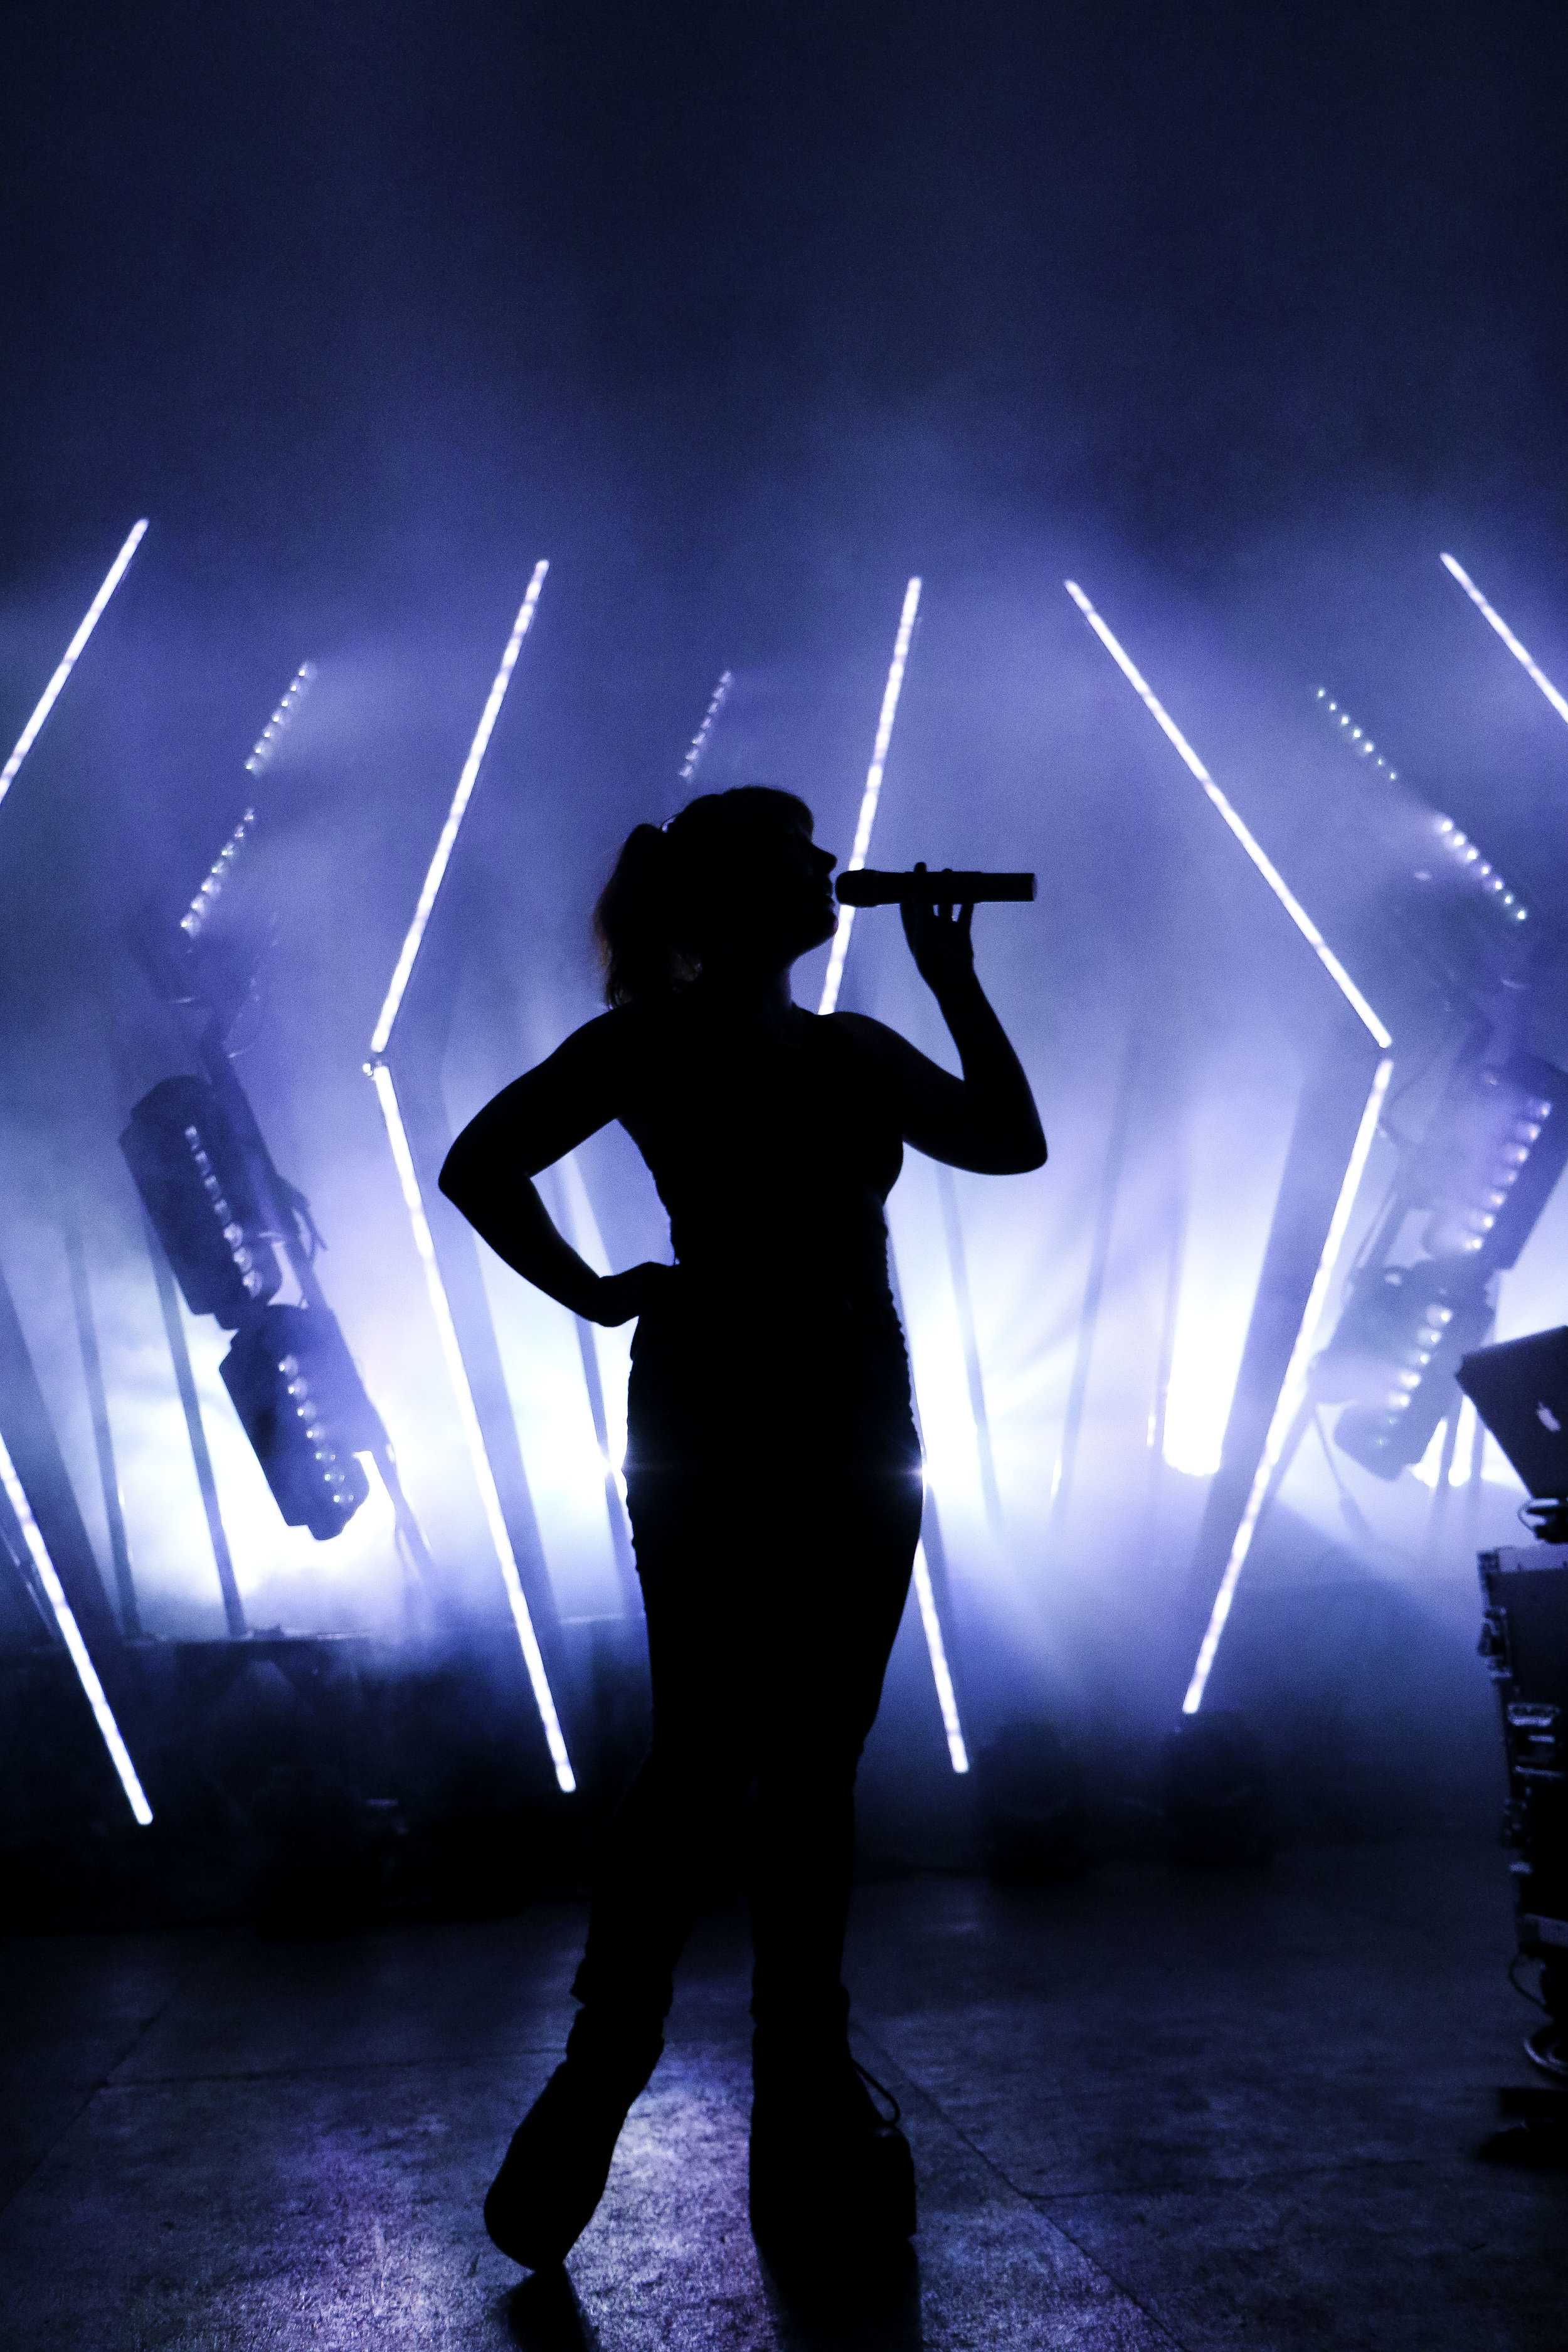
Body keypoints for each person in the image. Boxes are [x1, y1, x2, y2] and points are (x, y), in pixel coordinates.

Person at [438, 785, 1045, 2268]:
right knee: (757, 1752)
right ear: (729, 900)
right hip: (806, 1410)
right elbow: (479, 1162)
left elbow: (1006, 1141)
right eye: (794, 856)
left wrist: (958, 984)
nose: (825, 868)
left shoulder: (749, 1046)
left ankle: (658, 2068)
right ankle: (746, 2079)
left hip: (781, 1412)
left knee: (747, 1748)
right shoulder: (743, 1046)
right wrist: (590, 1290)